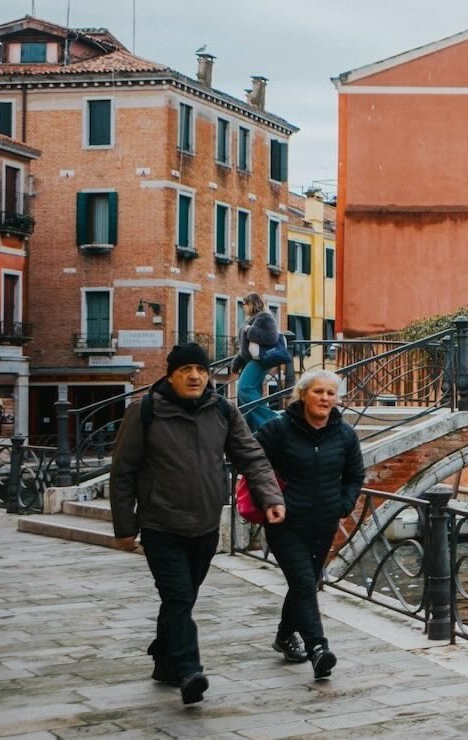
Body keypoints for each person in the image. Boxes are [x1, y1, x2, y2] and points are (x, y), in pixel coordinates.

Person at [109, 343, 284, 706]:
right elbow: (123, 471)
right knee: (177, 596)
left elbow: (251, 456)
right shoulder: (144, 412)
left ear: (208, 375)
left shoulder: (223, 410)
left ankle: (163, 660)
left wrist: (271, 498)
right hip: (161, 524)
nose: (194, 376)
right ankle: (190, 669)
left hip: (205, 525)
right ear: (170, 374)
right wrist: (125, 528)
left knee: (181, 600)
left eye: (200, 370)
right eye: (186, 369)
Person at [253, 369, 363, 680]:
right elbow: (251, 461)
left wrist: (344, 504)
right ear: (303, 394)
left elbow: (355, 476)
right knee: (303, 582)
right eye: (318, 392)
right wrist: (270, 498)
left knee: (305, 582)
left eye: (330, 393)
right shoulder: (278, 429)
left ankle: (284, 636)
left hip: (324, 523)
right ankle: (318, 648)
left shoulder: (345, 435)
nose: (325, 398)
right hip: (285, 522)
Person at [233, 293, 286, 433]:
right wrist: (237, 362)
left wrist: (249, 330)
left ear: (252, 304)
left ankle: (272, 419)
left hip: (260, 360)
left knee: (245, 388)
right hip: (253, 360)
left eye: (244, 304)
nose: (243, 307)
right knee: (253, 391)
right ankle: (255, 428)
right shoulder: (252, 319)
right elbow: (246, 347)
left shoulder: (264, 316)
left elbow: (270, 337)